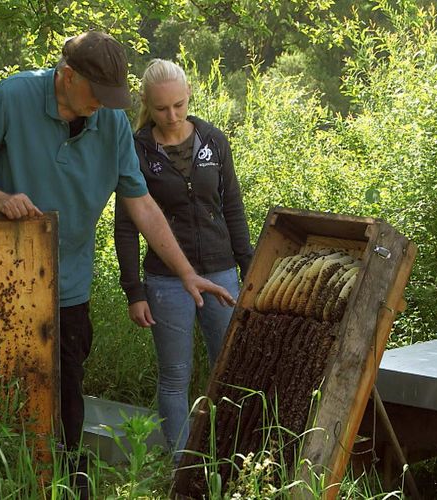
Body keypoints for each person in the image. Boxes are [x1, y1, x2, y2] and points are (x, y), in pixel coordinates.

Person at [0, 32, 235, 495]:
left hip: (68, 284)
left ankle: (66, 484)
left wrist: (186, 273)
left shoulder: (113, 124)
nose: (104, 105)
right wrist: (1, 200)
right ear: (66, 77)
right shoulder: (12, 97)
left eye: (112, 97)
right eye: (96, 95)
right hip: (2, 277)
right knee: (0, 385)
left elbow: (141, 205)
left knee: (66, 396)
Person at [114, 59, 253, 463]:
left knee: (229, 373)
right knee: (175, 378)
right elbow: (126, 227)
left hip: (223, 273)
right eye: (161, 109)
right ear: (146, 104)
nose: (172, 115)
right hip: (165, 281)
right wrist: (133, 292)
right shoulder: (137, 149)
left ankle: (231, 460)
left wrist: (249, 271)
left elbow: (233, 209)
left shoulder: (213, 140)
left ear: (189, 94)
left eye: (178, 105)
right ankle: (183, 469)